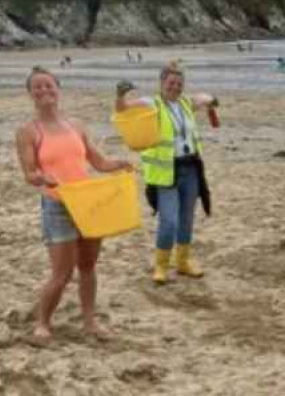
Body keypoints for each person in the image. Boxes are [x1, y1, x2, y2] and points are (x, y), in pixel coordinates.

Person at [15, 67, 132, 344]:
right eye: (38, 87)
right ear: (30, 94)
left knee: (88, 266)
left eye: (49, 85)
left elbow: (98, 162)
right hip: (57, 205)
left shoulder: (76, 125)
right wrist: (41, 178)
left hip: (88, 203)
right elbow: (29, 173)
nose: (44, 91)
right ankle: (42, 323)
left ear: (58, 88)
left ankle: (90, 322)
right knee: (62, 272)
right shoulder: (28, 131)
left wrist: (119, 164)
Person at [115, 62, 218, 284]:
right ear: (162, 83)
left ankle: (183, 262)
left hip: (191, 168)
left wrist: (212, 102)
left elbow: (203, 98)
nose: (175, 87)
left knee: (187, 218)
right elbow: (123, 109)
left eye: (179, 83)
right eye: (171, 83)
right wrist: (121, 94)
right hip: (166, 172)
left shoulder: (185, 103)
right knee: (169, 221)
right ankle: (161, 265)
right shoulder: (152, 103)